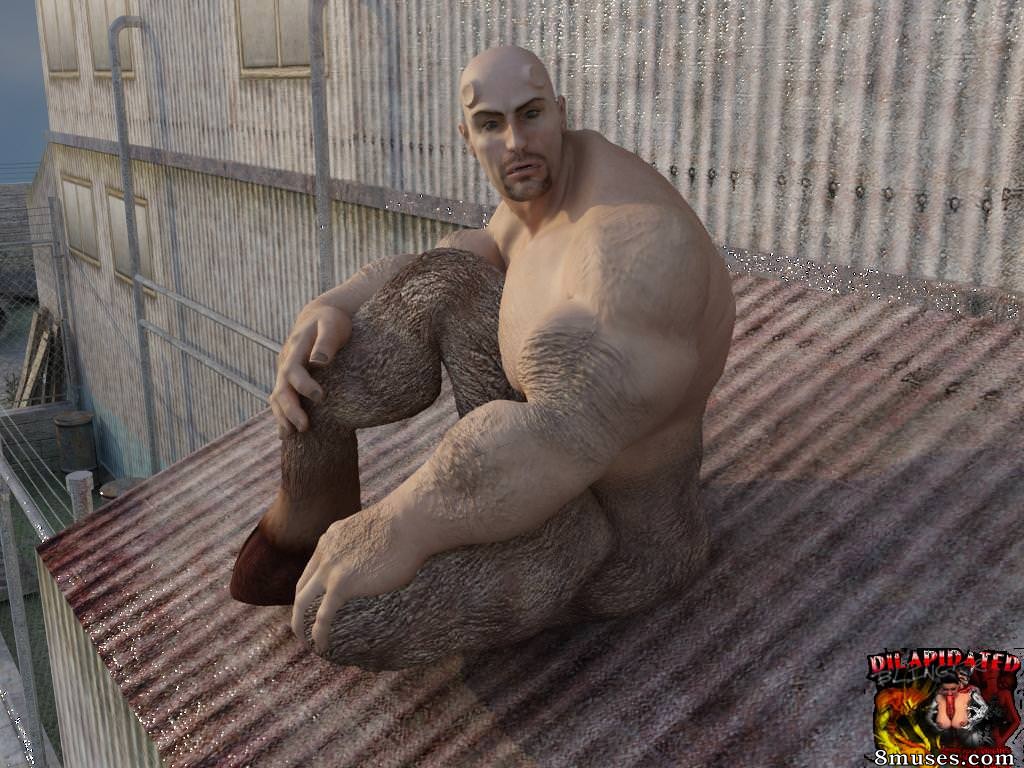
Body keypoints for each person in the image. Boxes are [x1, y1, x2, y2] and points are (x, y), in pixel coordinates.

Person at [230, 44, 736, 671]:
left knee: (346, 619)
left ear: (560, 113)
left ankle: (398, 558)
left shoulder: (634, 248)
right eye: (492, 124)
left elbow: (559, 434)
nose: (516, 142)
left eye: (531, 115)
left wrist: (401, 524)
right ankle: (305, 519)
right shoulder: (537, 196)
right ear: (467, 137)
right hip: (534, 443)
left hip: (612, 527)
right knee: (408, 299)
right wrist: (334, 303)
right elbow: (457, 257)